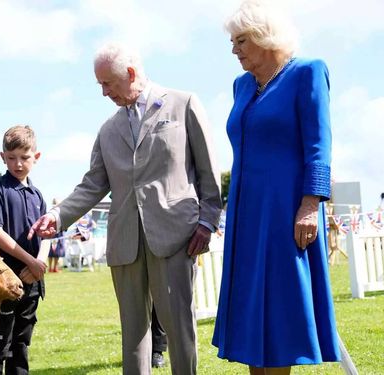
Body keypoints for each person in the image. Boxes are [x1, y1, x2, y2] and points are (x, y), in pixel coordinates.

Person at [29, 42, 222, 374]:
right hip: (125, 242)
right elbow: (93, 183)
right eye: (100, 85)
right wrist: (58, 215)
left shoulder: (183, 104)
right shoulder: (107, 129)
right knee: (133, 335)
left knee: (179, 327)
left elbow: (208, 171)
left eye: (109, 83)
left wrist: (207, 221)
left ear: (131, 74)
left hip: (176, 237)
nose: (104, 93)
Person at [211, 1, 341, 374]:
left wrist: (309, 205)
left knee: (280, 312)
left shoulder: (308, 72)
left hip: (286, 212)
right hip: (245, 214)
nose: (234, 50)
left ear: (263, 36)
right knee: (252, 316)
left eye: (240, 41)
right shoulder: (241, 86)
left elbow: (319, 146)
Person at [0, 125, 47, 375]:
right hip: (3, 281)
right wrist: (30, 261)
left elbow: (46, 234)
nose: (18, 164)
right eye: (11, 158)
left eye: (24, 157)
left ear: (36, 157)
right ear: (2, 157)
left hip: (32, 281)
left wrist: (37, 265)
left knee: (21, 342)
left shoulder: (37, 195)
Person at [48, 198, 65, 273]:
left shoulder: (52, 212)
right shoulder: (53, 212)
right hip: (54, 236)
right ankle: (52, 268)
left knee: (55, 253)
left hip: (57, 236)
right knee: (53, 253)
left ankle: (53, 268)